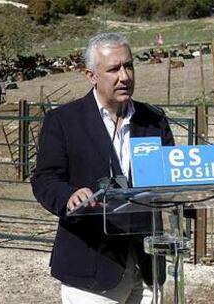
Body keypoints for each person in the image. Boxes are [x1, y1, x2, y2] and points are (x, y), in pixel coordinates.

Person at [31, 32, 174, 303]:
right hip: (92, 267)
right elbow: (45, 179)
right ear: (91, 75)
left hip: (147, 267)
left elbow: (170, 179)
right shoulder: (63, 121)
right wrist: (68, 196)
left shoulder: (154, 120)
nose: (125, 76)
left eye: (129, 65)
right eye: (113, 69)